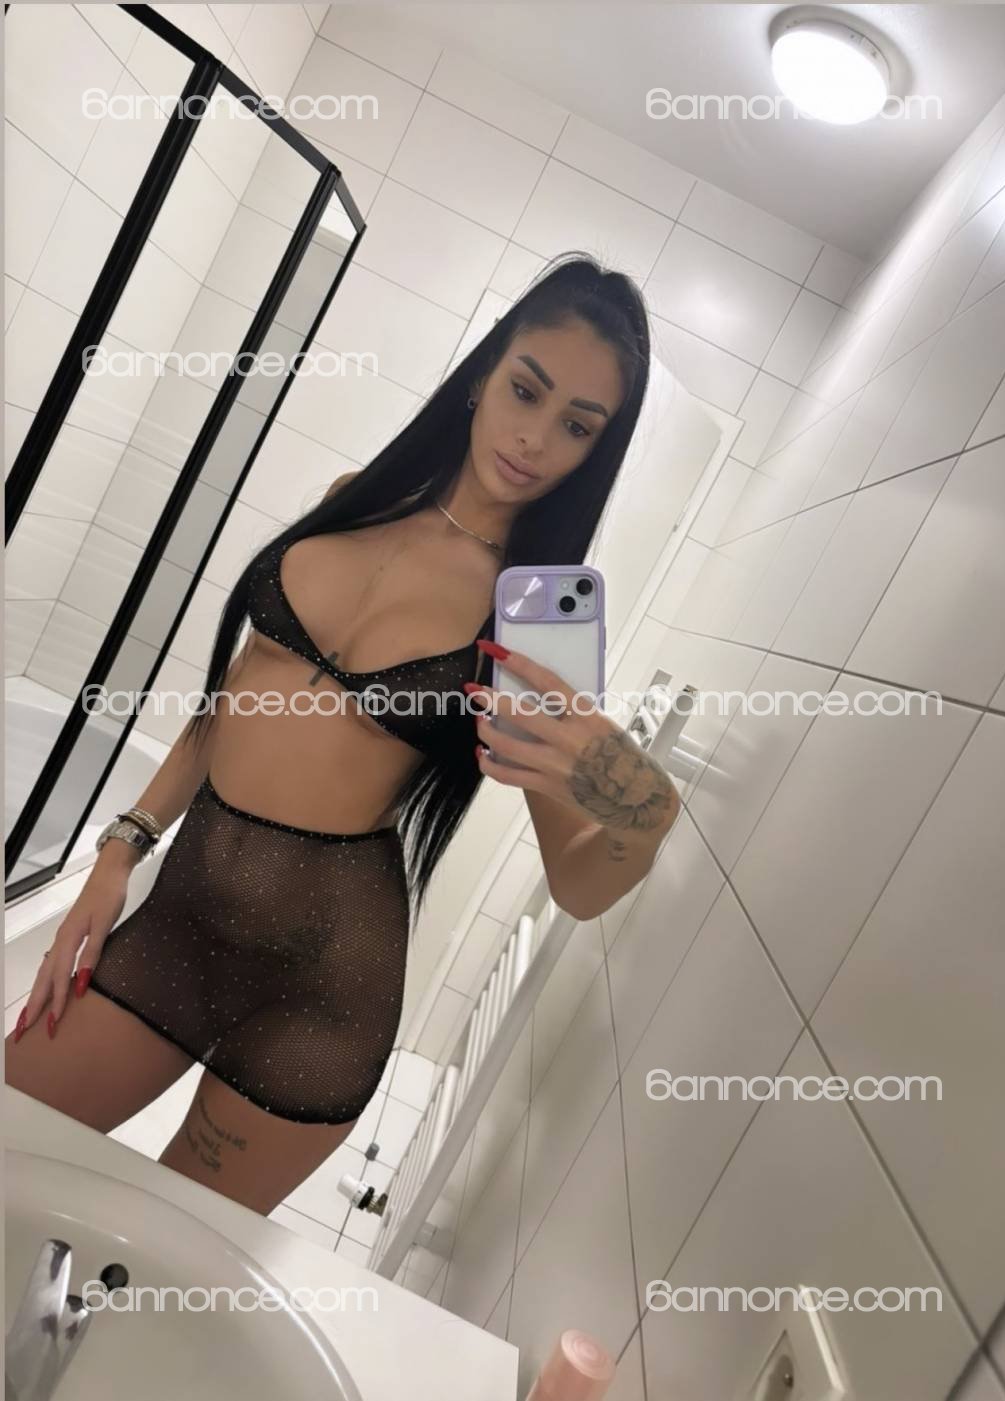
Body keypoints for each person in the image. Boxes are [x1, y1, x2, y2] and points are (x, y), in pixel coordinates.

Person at [5, 253, 681, 1215]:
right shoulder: (353, 496)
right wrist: (121, 848)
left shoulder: (528, 624)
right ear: (485, 374)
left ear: (594, 452)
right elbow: (239, 694)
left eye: (578, 425)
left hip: (323, 988)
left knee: (142, 1260)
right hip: (181, 920)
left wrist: (646, 810)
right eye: (526, 390)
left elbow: (578, 884)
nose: (535, 438)